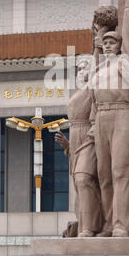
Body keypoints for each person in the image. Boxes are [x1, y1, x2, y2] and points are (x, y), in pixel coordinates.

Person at [88, 30, 129, 238]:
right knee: (104, 175)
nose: (108, 45)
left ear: (119, 45)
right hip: (102, 116)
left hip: (122, 113)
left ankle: (123, 224)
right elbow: (93, 99)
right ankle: (109, 224)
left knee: (122, 172)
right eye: (105, 42)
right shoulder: (100, 68)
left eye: (112, 42)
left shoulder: (123, 63)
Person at [55, 57, 102, 237]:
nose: (81, 71)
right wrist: (68, 145)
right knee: (79, 185)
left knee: (85, 180)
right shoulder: (77, 93)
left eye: (85, 68)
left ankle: (91, 226)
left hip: (89, 135)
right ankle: (84, 223)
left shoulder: (94, 90)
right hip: (75, 136)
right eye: (79, 68)